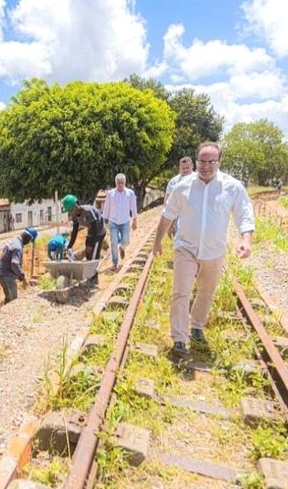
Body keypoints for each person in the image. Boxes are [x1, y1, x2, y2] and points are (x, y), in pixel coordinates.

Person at [152, 142, 255, 356]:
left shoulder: (232, 187)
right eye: (202, 161)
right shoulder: (182, 187)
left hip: (214, 251)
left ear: (219, 162)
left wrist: (246, 239)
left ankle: (197, 324)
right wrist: (158, 241)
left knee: (206, 292)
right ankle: (179, 337)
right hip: (185, 248)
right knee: (181, 292)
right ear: (196, 161)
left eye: (211, 162)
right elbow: (167, 214)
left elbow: (244, 214)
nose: (206, 166)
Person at [62, 194, 106, 284]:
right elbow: (75, 231)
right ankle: (91, 276)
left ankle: (94, 278)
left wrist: (92, 243)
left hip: (99, 232)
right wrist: (69, 246)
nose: (70, 213)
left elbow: (96, 228)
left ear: (76, 206)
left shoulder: (87, 211)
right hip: (91, 231)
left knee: (94, 255)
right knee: (88, 253)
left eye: (71, 210)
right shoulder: (75, 216)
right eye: (69, 211)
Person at [101, 173, 138, 271]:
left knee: (126, 241)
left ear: (125, 183)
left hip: (125, 221)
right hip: (113, 221)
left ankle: (122, 248)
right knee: (113, 242)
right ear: (115, 183)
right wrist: (103, 221)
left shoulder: (130, 193)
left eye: (122, 183)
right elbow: (106, 207)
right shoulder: (110, 194)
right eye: (118, 183)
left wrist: (135, 220)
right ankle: (115, 263)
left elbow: (134, 207)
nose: (120, 185)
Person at [0, 227, 37, 304]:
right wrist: (23, 278)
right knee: (14, 301)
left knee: (8, 297)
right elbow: (14, 264)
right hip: (6, 275)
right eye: (30, 241)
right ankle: (9, 315)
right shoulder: (18, 247)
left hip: (1, 273)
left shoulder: (13, 241)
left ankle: (4, 314)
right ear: (28, 238)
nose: (28, 243)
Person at [164, 156, 194, 238]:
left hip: (194, 217)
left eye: (187, 168)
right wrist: (168, 226)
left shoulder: (199, 180)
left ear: (192, 166)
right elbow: (167, 202)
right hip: (177, 216)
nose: (185, 170)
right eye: (182, 168)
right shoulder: (173, 182)